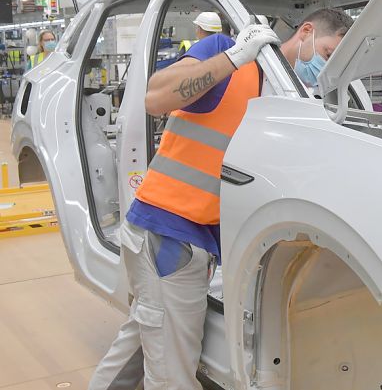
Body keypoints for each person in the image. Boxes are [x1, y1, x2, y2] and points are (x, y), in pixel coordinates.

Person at [87, 21, 280, 390]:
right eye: (326, 53)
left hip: (185, 237)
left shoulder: (290, 100)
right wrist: (235, 56)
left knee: (140, 345)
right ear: (305, 33)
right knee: (172, 375)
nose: (323, 66)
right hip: (168, 234)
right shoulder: (227, 53)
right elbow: (155, 97)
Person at [279, 8, 354, 87]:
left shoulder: (307, 92)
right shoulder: (265, 71)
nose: (328, 71)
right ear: (306, 31)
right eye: (328, 55)